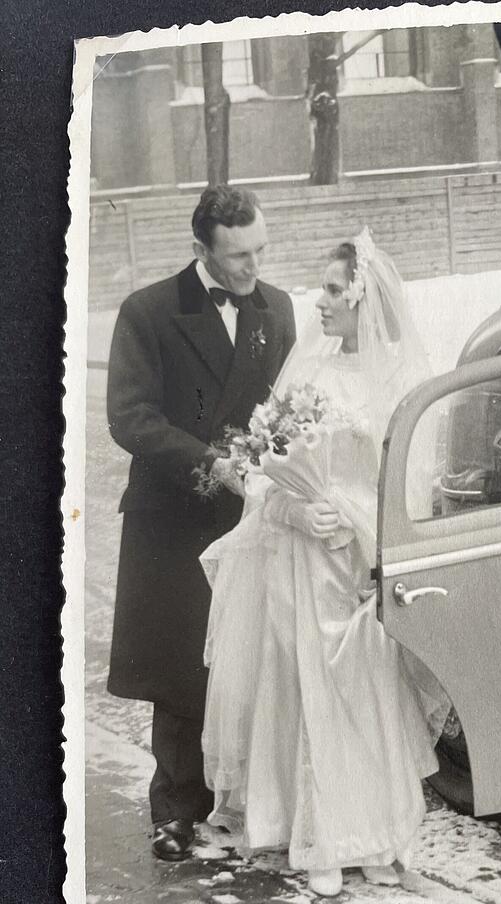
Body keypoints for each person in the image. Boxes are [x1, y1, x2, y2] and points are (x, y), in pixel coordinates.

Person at [200, 229, 445, 897]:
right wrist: (300, 510)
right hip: (298, 562)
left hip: (357, 566)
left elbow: (407, 489)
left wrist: (360, 527)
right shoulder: (305, 372)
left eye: (335, 290)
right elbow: (262, 475)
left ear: (365, 295)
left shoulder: (403, 381)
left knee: (365, 698)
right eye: (322, 290)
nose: (322, 303)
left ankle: (376, 839)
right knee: (302, 693)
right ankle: (316, 837)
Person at [106, 185, 296, 862]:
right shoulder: (149, 312)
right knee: (183, 665)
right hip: (175, 516)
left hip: (250, 514)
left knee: (249, 656)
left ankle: (244, 797)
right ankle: (174, 810)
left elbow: (283, 407)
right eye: (238, 255)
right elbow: (130, 417)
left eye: (260, 251)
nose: (252, 267)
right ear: (202, 251)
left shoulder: (277, 308)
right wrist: (211, 462)